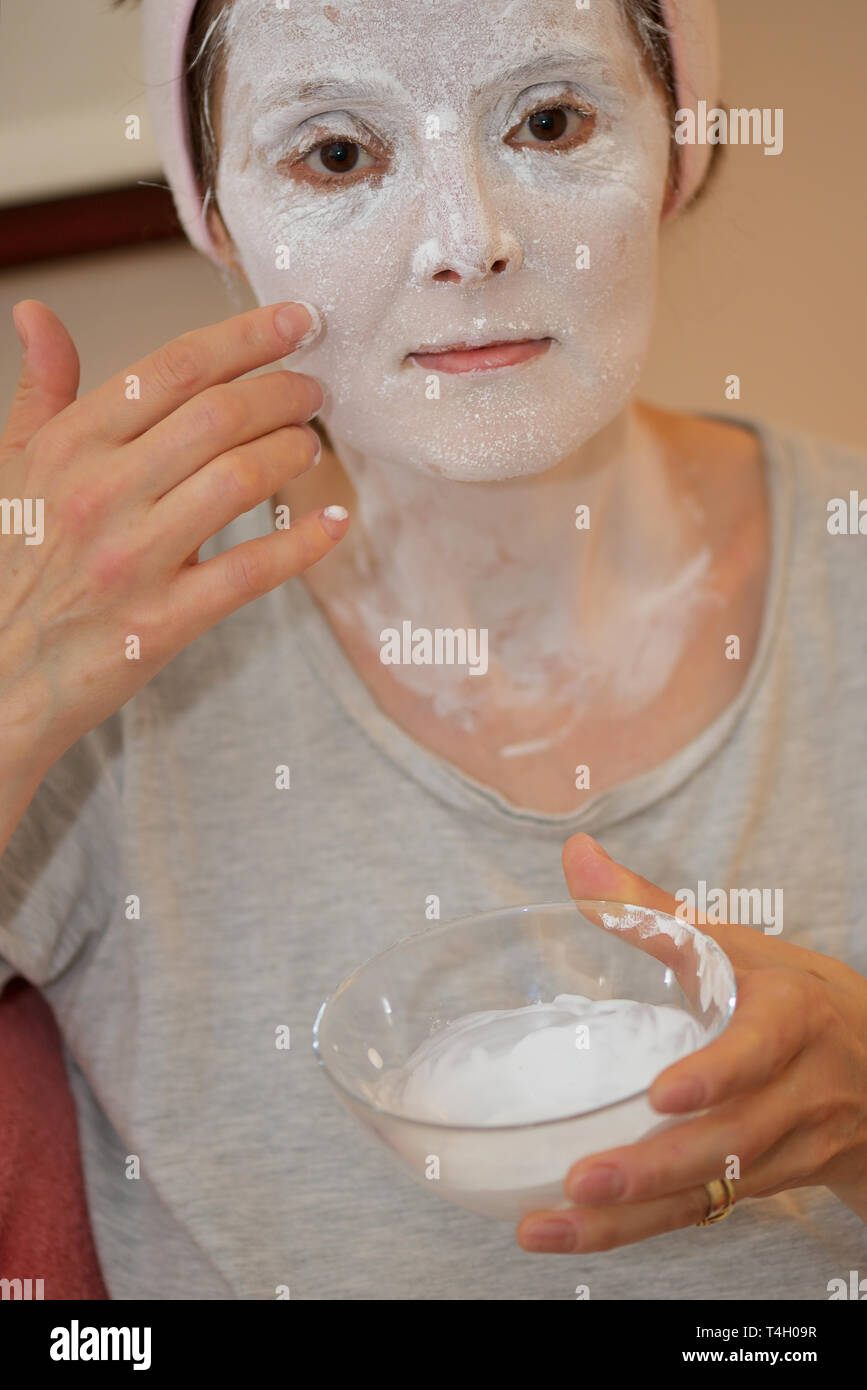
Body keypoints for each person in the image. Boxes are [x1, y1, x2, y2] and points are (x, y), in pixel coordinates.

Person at [0, 0, 864, 1300]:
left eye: (551, 121)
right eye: (339, 156)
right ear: (218, 222)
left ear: (680, 150)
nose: (471, 244)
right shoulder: (93, 658)